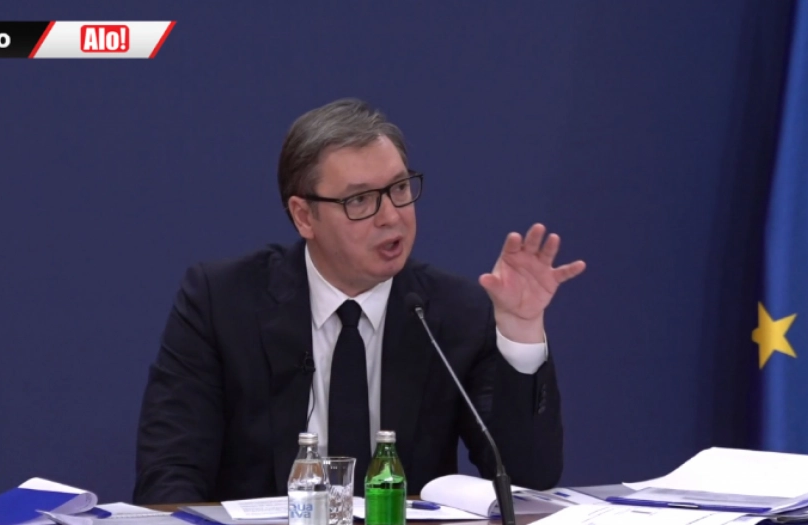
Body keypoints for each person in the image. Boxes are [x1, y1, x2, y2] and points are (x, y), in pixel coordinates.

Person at [133, 98, 586, 504]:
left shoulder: (455, 311)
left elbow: (528, 480)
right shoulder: (222, 302)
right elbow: (169, 476)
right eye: (361, 200)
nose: (391, 216)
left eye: (400, 189)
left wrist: (520, 329)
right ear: (304, 216)